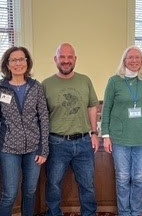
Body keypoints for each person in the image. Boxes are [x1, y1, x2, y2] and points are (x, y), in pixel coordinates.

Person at [0, 46, 49, 216]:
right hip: (8, 150)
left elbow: (44, 118)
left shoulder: (36, 87)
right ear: (7, 64)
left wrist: (44, 149)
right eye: (14, 60)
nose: (18, 63)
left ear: (27, 62)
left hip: (34, 149)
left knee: (30, 192)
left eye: (22, 59)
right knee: (9, 194)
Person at [42, 43, 99, 216]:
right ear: (55, 59)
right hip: (56, 142)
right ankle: (53, 213)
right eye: (62, 57)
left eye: (69, 57)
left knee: (87, 184)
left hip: (83, 142)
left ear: (75, 59)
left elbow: (92, 107)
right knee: (53, 183)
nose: (66, 61)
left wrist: (94, 133)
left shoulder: (85, 80)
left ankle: (89, 214)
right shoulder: (46, 84)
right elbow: (42, 116)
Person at [101, 46, 142, 216]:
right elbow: (106, 108)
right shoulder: (114, 81)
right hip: (120, 138)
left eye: (137, 57)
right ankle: (124, 212)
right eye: (130, 57)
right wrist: (106, 135)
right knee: (123, 178)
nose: (134, 60)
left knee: (139, 178)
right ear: (124, 60)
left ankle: (136, 212)